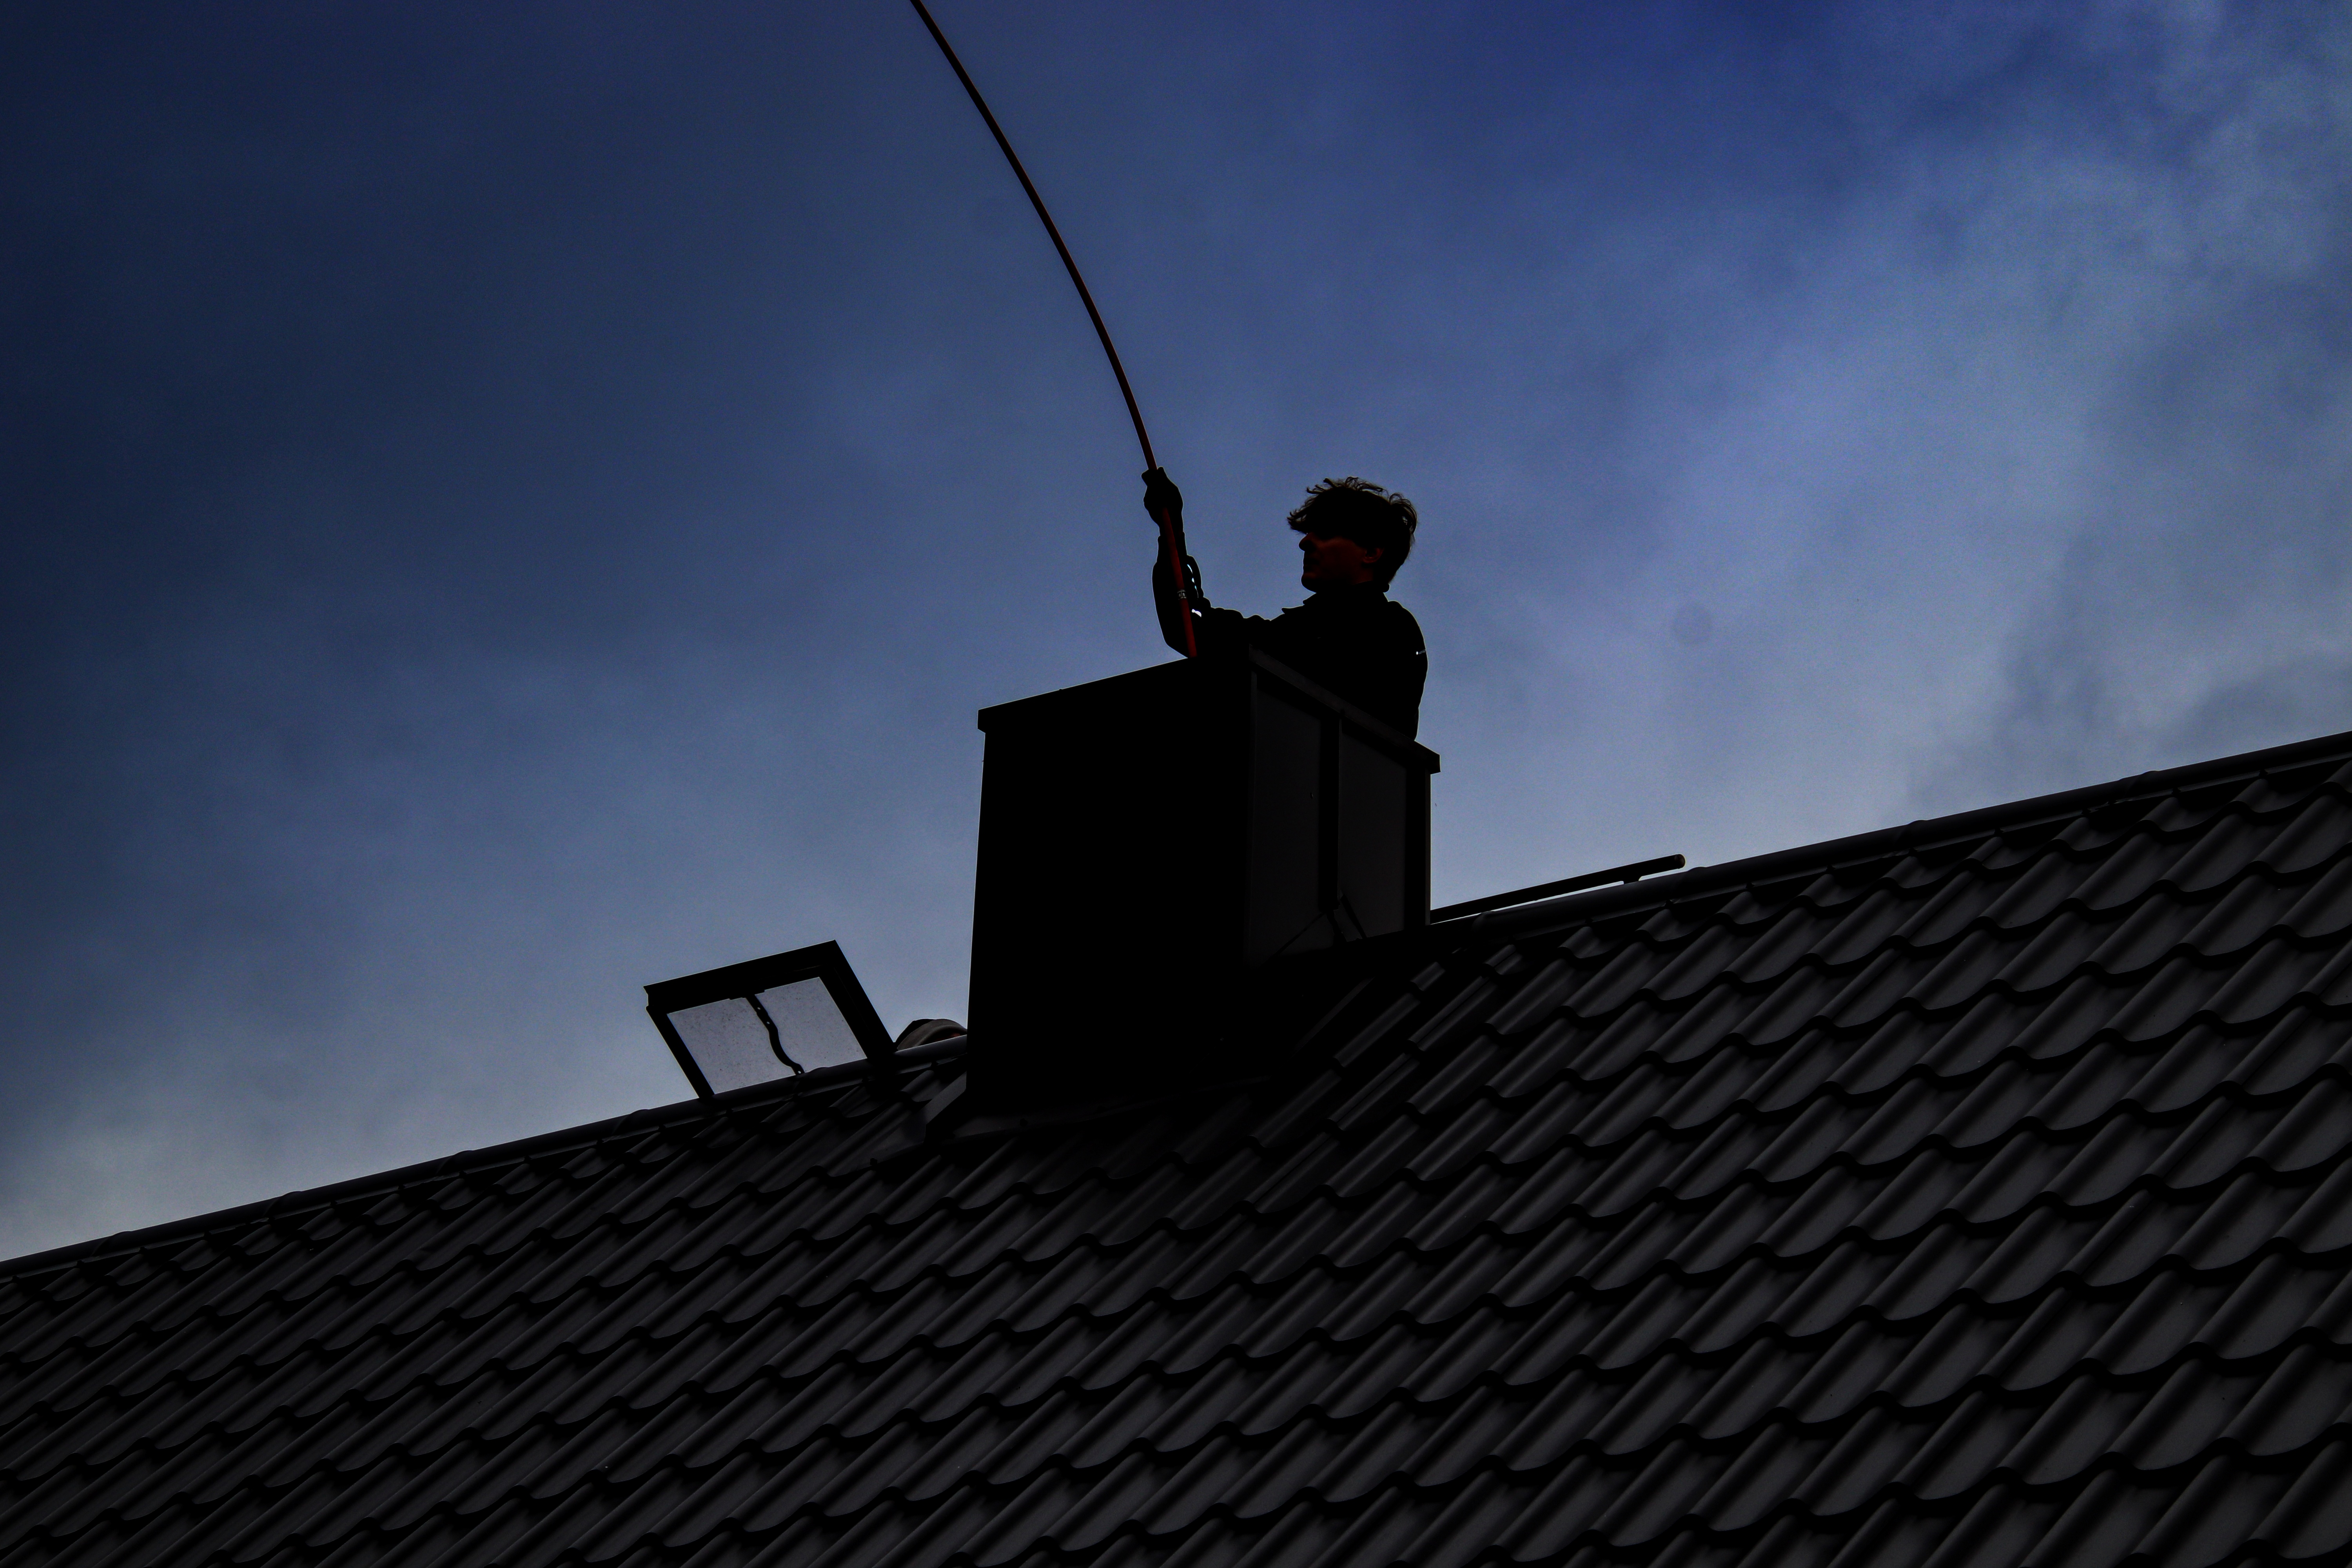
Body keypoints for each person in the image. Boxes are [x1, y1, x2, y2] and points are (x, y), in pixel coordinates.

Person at [1146, 470, 1428, 739]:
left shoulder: (1393, 630)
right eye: (1309, 533)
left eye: (1326, 533)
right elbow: (1191, 626)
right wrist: (1172, 531)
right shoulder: (1293, 632)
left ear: (1371, 553)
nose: (1305, 542)